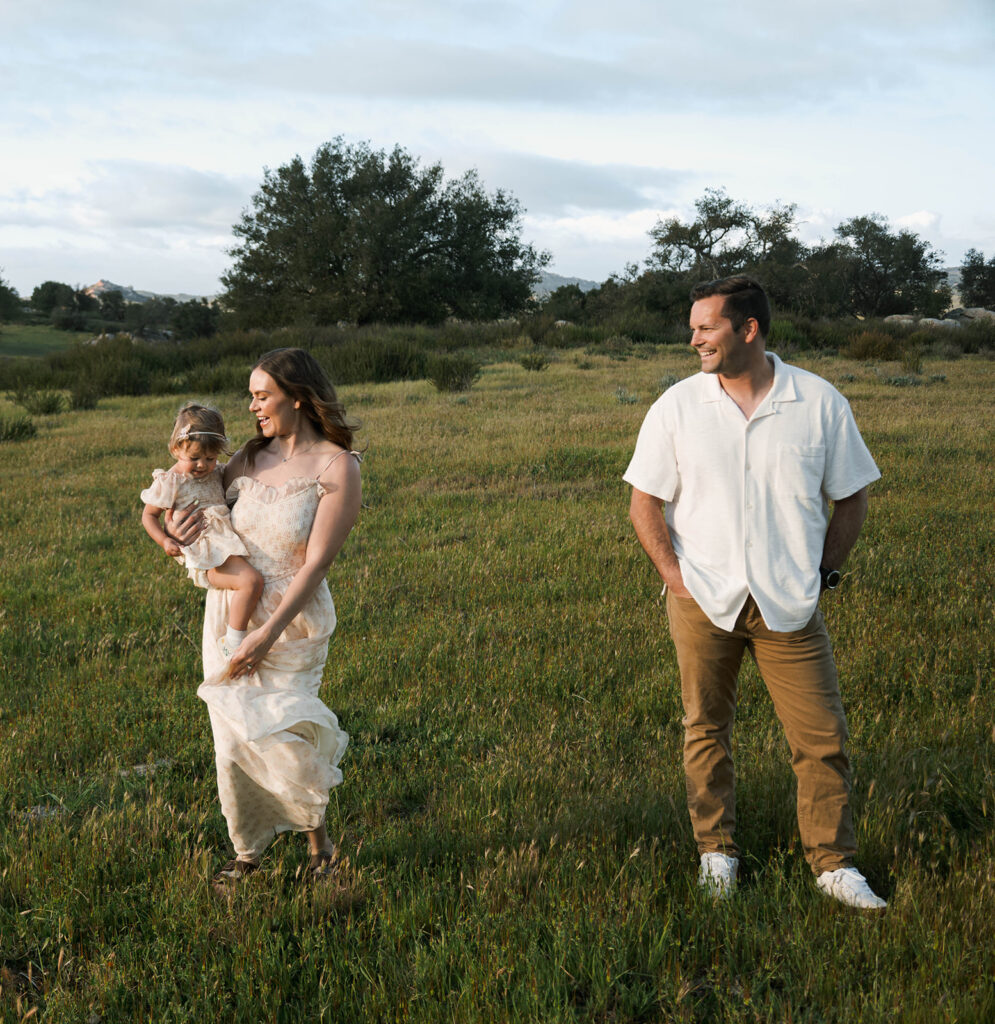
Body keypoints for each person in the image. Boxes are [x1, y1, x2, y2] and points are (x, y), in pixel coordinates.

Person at [624, 275, 887, 910]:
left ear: (748, 329)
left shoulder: (818, 401)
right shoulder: (677, 406)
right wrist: (674, 578)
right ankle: (716, 854)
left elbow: (851, 495)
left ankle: (833, 865)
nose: (694, 340)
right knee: (705, 728)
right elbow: (644, 502)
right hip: (701, 598)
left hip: (788, 603)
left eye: (706, 327)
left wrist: (821, 574)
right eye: (694, 327)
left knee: (821, 736)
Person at [166, 348, 362, 886]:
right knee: (232, 737)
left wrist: (266, 636)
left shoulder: (337, 466)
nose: (252, 407)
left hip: (291, 620)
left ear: (296, 396)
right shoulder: (249, 458)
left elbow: (318, 562)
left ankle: (321, 848)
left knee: (283, 732)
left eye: (262, 395)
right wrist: (174, 534)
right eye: (251, 395)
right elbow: (201, 500)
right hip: (230, 614)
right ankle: (247, 852)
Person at [141, 402, 265, 663]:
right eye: (194, 458)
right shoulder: (171, 481)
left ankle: (236, 637)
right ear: (177, 449)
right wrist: (164, 540)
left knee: (251, 581)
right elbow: (148, 516)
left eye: (210, 458)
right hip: (208, 553)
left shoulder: (216, 473)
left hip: (224, 545)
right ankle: (233, 644)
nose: (202, 465)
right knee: (250, 582)